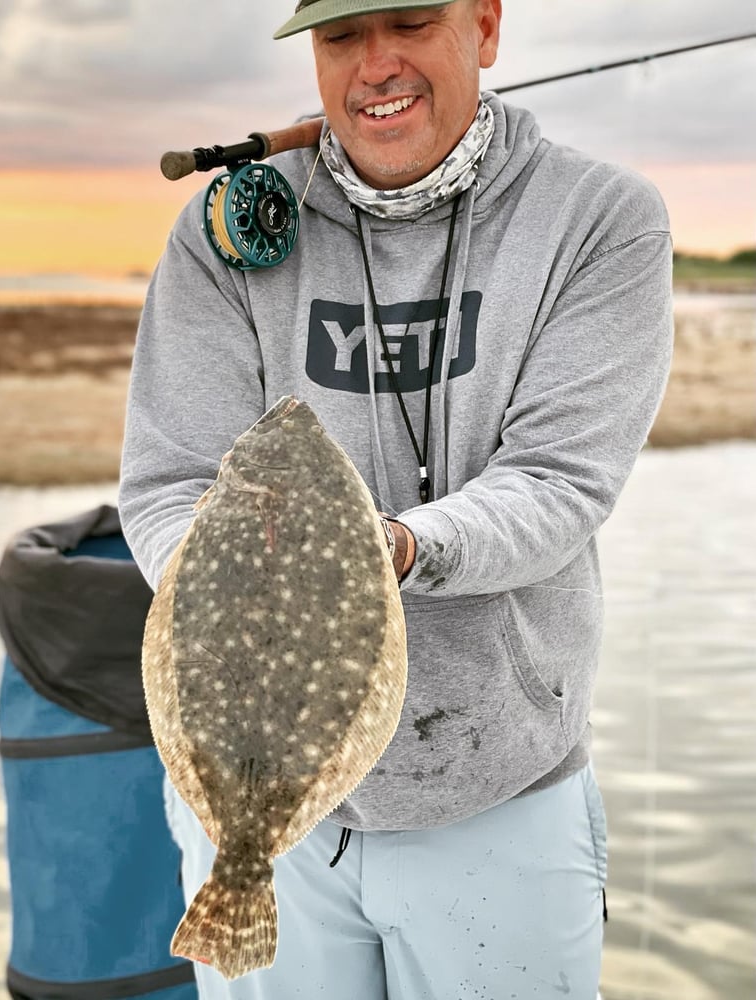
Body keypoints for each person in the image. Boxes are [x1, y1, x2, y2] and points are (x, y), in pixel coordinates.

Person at [119, 1, 673, 997]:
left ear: (486, 27)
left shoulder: (600, 219)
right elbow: (167, 478)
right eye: (340, 38)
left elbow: (560, 481)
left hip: (498, 793)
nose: (374, 64)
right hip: (257, 827)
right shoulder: (223, 232)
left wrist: (398, 548)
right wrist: (223, 575)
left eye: (410, 23)